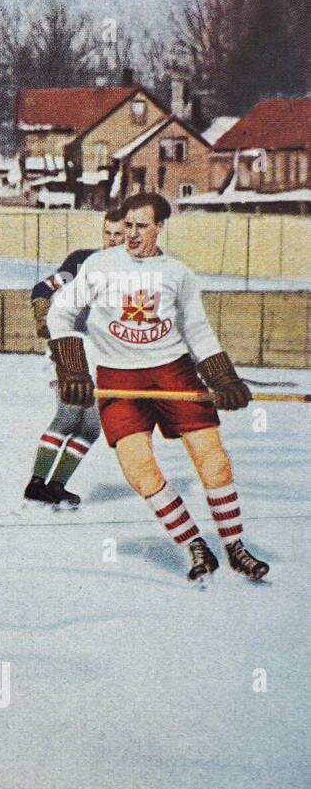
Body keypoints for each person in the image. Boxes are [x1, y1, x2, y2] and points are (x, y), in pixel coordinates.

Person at [47, 192, 267, 583]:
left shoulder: (177, 273)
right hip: (118, 375)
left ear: (159, 227)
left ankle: (235, 546)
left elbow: (196, 329)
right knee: (138, 469)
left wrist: (223, 379)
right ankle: (194, 544)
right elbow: (60, 311)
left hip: (172, 371)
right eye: (127, 226)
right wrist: (73, 371)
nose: (131, 235)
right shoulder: (100, 265)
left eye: (141, 226)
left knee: (211, 456)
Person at [24, 204, 125, 508]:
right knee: (69, 416)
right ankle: (36, 485)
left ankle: (55, 486)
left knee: (91, 427)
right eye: (108, 233)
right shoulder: (83, 261)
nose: (112, 240)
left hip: (106, 354)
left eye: (119, 234)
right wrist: (42, 316)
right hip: (73, 348)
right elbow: (43, 288)